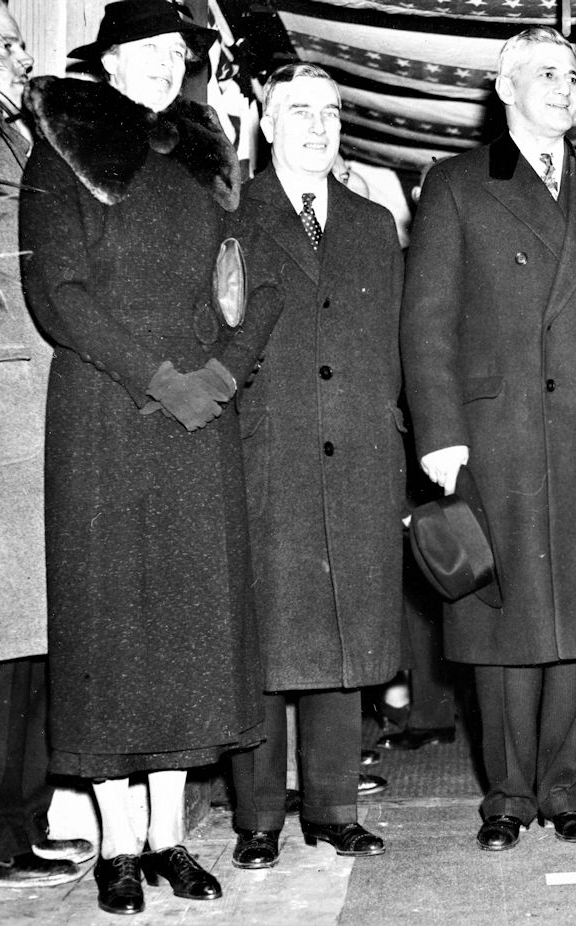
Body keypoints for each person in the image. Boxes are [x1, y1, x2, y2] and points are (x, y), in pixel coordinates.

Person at [19, 0, 281, 915]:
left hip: (198, 418)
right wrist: (157, 377)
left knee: (186, 629)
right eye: (149, 50)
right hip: (107, 416)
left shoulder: (209, 161)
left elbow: (252, 284)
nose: (168, 65)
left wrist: (220, 374)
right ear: (112, 61)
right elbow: (57, 292)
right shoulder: (64, 149)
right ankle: (117, 848)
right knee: (114, 631)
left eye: (181, 52)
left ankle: (169, 839)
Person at [401, 26, 576, 852]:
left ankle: (567, 789)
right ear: (503, 89)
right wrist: (439, 433)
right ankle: (506, 793)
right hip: (493, 432)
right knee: (502, 620)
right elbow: (426, 322)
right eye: (543, 72)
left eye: (571, 74)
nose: (562, 85)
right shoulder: (458, 184)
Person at [225, 62, 404, 869]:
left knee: (344, 637)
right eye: (299, 110)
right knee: (262, 643)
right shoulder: (230, 217)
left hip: (359, 460)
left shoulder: (372, 224)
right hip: (266, 456)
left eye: (330, 111)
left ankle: (333, 808)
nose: (317, 125)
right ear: (266, 122)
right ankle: (258, 816)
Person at [0, 0, 93, 889]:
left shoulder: (22, 125)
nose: (16, 51)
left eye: (16, 37)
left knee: (38, 635)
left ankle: (28, 820)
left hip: (39, 410)